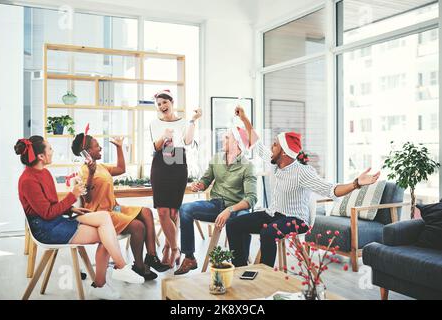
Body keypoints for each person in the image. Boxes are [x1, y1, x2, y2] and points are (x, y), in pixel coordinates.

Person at [225, 106, 381, 267]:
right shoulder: (274, 162)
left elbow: (330, 189)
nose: (271, 147)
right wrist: (244, 118)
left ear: (284, 152)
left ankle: (267, 277)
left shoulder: (303, 172)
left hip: (296, 219)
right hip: (272, 214)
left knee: (268, 233)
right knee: (233, 224)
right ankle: (240, 269)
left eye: (275, 145)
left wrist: (356, 183)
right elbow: (257, 144)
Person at [15, 136, 145, 300]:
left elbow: (53, 205)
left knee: (105, 219)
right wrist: (73, 195)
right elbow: (46, 213)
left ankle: (119, 270)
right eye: (49, 149)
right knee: (106, 235)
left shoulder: (45, 173)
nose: (52, 151)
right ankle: (107, 278)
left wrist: (73, 208)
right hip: (46, 228)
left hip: (57, 219)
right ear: (41, 156)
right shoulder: (27, 180)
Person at [71, 134, 170, 280]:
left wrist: (119, 147)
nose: (100, 147)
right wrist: (91, 174)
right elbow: (87, 198)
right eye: (96, 145)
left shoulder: (101, 166)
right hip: (101, 213)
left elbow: (121, 168)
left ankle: (151, 256)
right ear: (88, 151)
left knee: (146, 212)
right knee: (138, 227)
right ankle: (139, 266)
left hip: (114, 208)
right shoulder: (85, 171)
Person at [175, 127, 258, 275]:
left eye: (227, 138)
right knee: (185, 209)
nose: (222, 140)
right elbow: (206, 180)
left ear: (237, 142)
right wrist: (199, 185)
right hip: (215, 205)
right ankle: (189, 257)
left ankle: (240, 265)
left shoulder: (248, 166)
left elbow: (251, 199)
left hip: (236, 208)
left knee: (242, 220)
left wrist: (230, 210)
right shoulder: (216, 159)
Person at [149, 89, 202, 268]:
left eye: (165, 102)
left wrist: (193, 120)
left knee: (173, 212)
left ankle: (167, 247)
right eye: (159, 104)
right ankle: (174, 249)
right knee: (162, 211)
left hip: (178, 161)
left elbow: (187, 142)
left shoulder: (183, 122)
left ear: (172, 102)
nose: (162, 106)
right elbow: (156, 147)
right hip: (160, 163)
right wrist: (164, 136)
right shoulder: (154, 123)